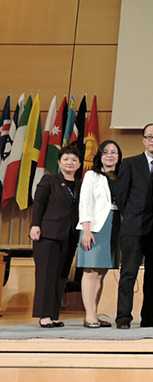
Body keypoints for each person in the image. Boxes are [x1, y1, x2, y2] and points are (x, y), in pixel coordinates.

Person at [115, 123, 153, 329]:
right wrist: (131, 215)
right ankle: (123, 318)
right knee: (128, 274)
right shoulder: (130, 164)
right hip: (133, 228)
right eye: (149, 137)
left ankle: (149, 318)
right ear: (143, 140)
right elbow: (121, 196)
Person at [30, 146, 82, 328]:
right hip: (48, 235)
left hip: (69, 236)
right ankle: (43, 315)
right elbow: (39, 203)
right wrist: (35, 225)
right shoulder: (50, 179)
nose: (70, 163)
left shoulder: (79, 184)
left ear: (79, 164)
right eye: (66, 159)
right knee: (45, 276)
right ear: (59, 162)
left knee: (61, 277)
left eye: (74, 160)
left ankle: (53, 314)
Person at [76, 140, 122, 328]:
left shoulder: (122, 175)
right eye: (105, 152)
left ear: (119, 156)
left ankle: (93, 313)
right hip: (95, 227)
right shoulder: (92, 175)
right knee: (91, 270)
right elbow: (85, 202)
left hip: (115, 223)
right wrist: (86, 230)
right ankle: (89, 316)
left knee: (101, 272)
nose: (110, 155)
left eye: (114, 152)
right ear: (100, 156)